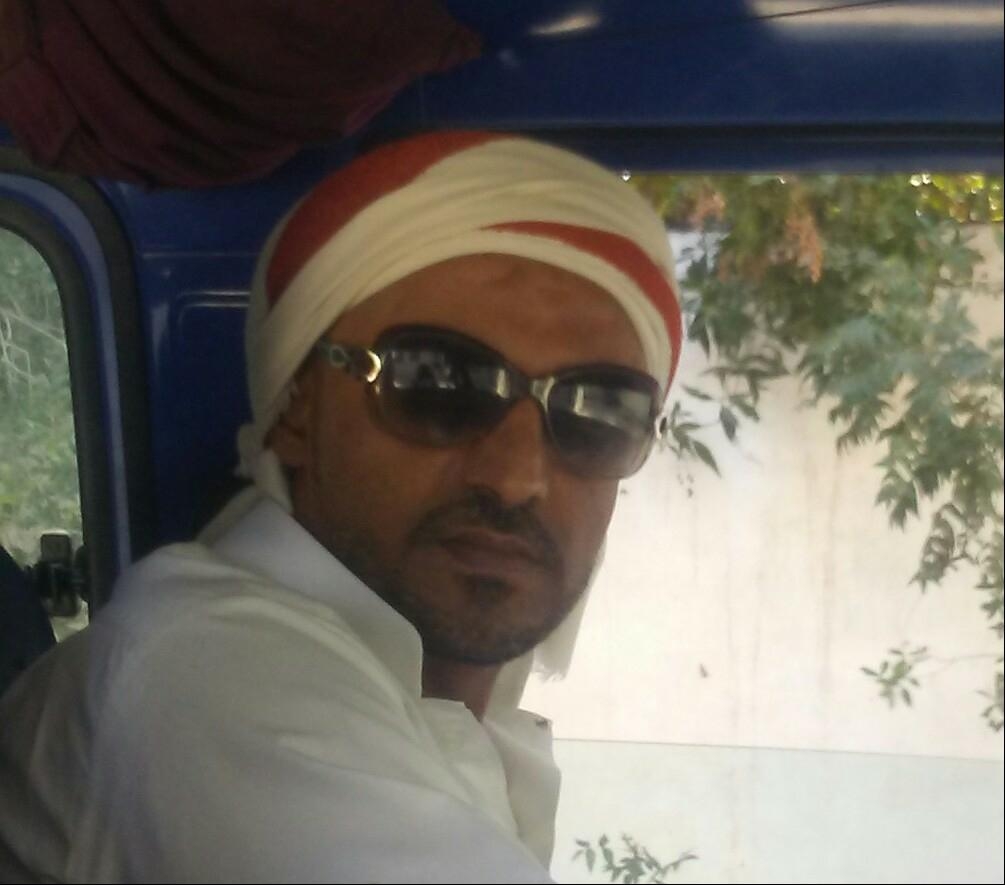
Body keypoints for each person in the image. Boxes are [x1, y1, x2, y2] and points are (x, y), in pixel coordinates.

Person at [0, 131, 682, 883]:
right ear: (296, 409)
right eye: (438, 384)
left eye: (600, 413)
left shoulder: (428, 709)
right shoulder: (211, 675)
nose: (517, 477)